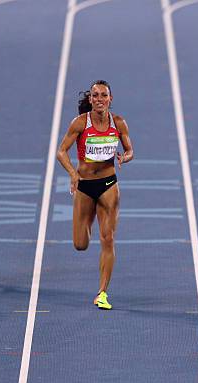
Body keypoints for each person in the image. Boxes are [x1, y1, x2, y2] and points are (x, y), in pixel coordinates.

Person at [56, 80, 134, 310]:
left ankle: (102, 292)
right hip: (85, 186)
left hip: (109, 184)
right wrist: (72, 173)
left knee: (107, 238)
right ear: (90, 99)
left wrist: (123, 158)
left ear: (110, 99)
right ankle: (88, 216)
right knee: (80, 244)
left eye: (104, 95)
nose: (99, 99)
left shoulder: (118, 123)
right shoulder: (80, 123)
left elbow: (130, 150)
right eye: (95, 95)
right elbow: (61, 151)